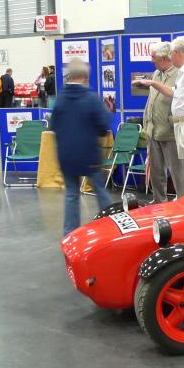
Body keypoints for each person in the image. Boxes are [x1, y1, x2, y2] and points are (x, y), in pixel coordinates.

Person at [137, 37, 184, 193]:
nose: (170, 57)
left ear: (176, 52)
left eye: (171, 54)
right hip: (183, 124)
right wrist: (151, 83)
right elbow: (174, 93)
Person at [51, 60, 113, 236]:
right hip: (89, 154)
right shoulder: (91, 98)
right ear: (85, 76)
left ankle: (69, 234)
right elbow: (103, 127)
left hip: (65, 155)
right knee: (100, 191)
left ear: (69, 75)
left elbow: (53, 126)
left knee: (71, 194)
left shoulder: (60, 99)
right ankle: (112, 227)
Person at [134, 41, 184, 202]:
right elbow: (151, 100)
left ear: (165, 58)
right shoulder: (156, 73)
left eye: (154, 57)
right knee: (156, 173)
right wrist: (146, 123)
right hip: (153, 131)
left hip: (170, 132)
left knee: (178, 174)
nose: (151, 60)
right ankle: (159, 203)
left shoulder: (180, 75)